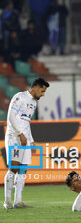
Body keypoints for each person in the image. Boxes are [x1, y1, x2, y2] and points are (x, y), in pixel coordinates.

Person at [3, 78, 49, 209]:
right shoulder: (19, 97)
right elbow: (11, 117)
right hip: (14, 137)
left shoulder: (33, 103)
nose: (43, 94)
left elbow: (26, 122)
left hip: (25, 139)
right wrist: (20, 134)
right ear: (35, 87)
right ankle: (7, 201)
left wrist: (31, 140)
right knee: (14, 168)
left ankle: (18, 201)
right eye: (42, 91)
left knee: (23, 169)